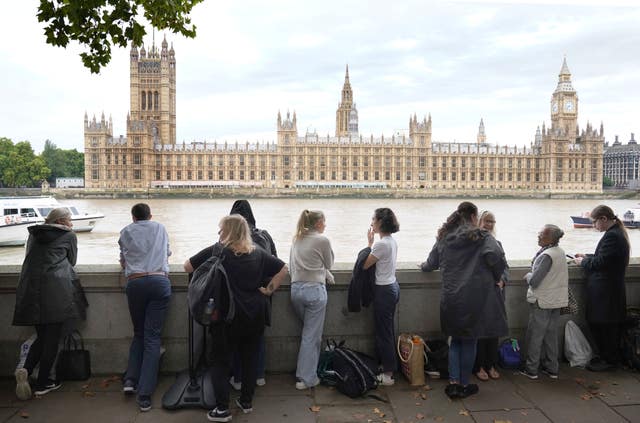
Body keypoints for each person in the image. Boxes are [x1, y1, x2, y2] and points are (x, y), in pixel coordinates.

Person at [184, 199, 277, 389]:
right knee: (254, 342)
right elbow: (277, 265)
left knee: (230, 345)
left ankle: (236, 379)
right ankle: (257, 377)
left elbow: (191, 265)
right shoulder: (265, 237)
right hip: (258, 298)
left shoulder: (223, 247)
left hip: (232, 302)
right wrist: (269, 289)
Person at [205, 215, 288, 422]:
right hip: (254, 314)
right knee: (250, 359)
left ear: (229, 232)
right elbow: (284, 268)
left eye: (221, 230)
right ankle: (246, 402)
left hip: (227, 317)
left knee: (220, 362)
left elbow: (189, 266)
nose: (219, 233)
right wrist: (268, 290)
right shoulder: (258, 253)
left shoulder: (218, 252)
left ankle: (222, 409)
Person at [421, 201, 507, 399]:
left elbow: (431, 263)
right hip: (475, 297)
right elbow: (496, 255)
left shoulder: (444, 237)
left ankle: (452, 383)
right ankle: (464, 383)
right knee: (470, 341)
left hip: (451, 297)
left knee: (455, 341)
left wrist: (424, 267)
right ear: (474, 217)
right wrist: (495, 276)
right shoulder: (482, 236)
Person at [13, 208, 78, 400]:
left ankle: (26, 369)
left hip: (32, 289)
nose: (72, 224)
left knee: (41, 337)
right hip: (56, 290)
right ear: (62, 221)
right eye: (70, 220)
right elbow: (72, 261)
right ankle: (43, 383)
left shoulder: (34, 234)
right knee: (52, 339)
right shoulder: (69, 236)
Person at [119, 203, 172, 412]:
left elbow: (124, 262)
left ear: (133, 217)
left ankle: (130, 380)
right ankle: (145, 395)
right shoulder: (160, 228)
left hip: (136, 283)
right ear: (150, 216)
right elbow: (167, 253)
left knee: (139, 333)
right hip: (159, 282)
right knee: (152, 337)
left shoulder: (125, 231)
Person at [575, 205, 630, 371]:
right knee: (606, 326)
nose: (594, 226)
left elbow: (600, 263)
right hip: (609, 290)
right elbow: (607, 258)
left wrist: (583, 262)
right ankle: (609, 358)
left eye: (595, 222)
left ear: (604, 219)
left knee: (603, 326)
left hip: (606, 292)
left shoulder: (612, 236)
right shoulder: (616, 234)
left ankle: (609, 360)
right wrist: (588, 256)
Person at [289, 210, 334, 390]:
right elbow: (329, 263)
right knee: (311, 337)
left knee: (308, 333)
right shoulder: (322, 240)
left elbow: (294, 266)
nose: (325, 225)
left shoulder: (296, 239)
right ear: (317, 223)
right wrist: (325, 272)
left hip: (295, 290)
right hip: (314, 291)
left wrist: (324, 272)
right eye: (324, 221)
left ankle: (305, 373)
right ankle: (306, 378)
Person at [519, 224, 568, 380]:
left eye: (541, 234)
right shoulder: (560, 252)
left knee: (536, 335)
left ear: (550, 238)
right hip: (557, 300)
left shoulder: (546, 256)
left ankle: (531, 369)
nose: (538, 236)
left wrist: (527, 275)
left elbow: (534, 281)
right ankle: (552, 368)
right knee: (551, 335)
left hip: (542, 301)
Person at [363, 208, 400, 386]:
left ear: (380, 222)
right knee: (387, 330)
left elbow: (364, 265)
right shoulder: (391, 241)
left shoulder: (381, 244)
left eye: (373, 219)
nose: (371, 222)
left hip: (383, 290)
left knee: (383, 332)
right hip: (392, 286)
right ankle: (388, 367)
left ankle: (388, 374)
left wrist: (368, 245)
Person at [474, 211, 508, 381]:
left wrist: (503, 280)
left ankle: (491, 364)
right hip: (479, 293)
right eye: (486, 221)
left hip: (495, 293)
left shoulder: (497, 243)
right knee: (480, 332)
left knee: (494, 331)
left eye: (492, 222)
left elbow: (505, 267)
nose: (489, 225)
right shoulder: (473, 244)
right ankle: (479, 365)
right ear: (479, 221)